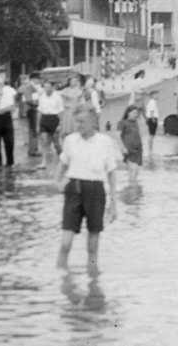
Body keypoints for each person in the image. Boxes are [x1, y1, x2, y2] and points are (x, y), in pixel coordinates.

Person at [54, 107, 118, 273]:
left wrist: (113, 203)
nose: (78, 125)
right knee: (65, 242)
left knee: (93, 243)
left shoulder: (105, 141)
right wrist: (57, 182)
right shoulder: (70, 140)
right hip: (73, 189)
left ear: (93, 121)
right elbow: (63, 162)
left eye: (82, 122)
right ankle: (60, 276)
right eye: (76, 121)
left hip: (96, 190)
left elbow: (111, 173)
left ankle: (93, 274)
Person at [36, 80, 64, 170]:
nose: (46, 89)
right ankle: (43, 162)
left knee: (56, 142)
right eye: (44, 87)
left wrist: (60, 124)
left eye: (48, 87)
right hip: (44, 119)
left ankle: (63, 160)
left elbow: (61, 111)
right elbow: (39, 111)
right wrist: (38, 125)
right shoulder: (42, 97)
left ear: (52, 87)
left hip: (54, 119)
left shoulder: (57, 97)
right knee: (44, 142)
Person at [118, 105, 142, 183]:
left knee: (135, 170)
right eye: (134, 113)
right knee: (133, 169)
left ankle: (132, 188)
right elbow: (117, 135)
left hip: (138, 150)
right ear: (128, 113)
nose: (136, 115)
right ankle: (132, 189)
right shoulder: (122, 123)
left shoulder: (135, 123)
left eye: (137, 113)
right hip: (128, 149)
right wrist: (122, 147)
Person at [19, 74, 40, 156]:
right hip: (32, 109)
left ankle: (34, 148)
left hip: (31, 109)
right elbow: (29, 100)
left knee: (32, 129)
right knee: (33, 130)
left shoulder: (29, 87)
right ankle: (33, 149)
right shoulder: (29, 87)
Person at [145, 90, 160, 155]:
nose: (158, 96)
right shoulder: (152, 102)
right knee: (151, 135)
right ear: (152, 96)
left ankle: (151, 149)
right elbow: (152, 112)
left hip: (151, 119)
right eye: (156, 95)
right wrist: (153, 120)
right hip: (152, 119)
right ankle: (150, 149)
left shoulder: (153, 102)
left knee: (152, 135)